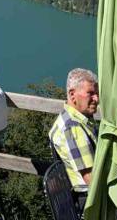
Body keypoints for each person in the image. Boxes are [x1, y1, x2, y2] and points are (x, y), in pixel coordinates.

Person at [48, 68, 99, 213]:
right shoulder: (73, 129)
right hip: (91, 202)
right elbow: (92, 180)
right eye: (90, 93)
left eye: (97, 93)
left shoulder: (68, 118)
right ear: (72, 94)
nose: (97, 99)